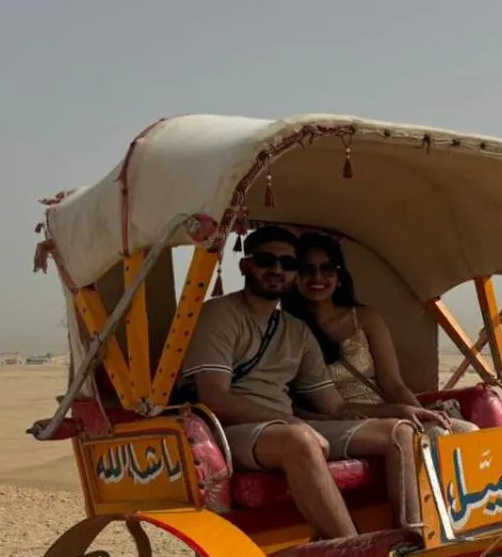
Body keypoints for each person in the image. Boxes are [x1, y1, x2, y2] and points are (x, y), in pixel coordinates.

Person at [178, 225, 420, 539]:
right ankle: (352, 548)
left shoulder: (296, 331)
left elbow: (333, 406)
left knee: (399, 433)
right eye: (267, 260)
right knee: (299, 440)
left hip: (285, 427)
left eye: (289, 264)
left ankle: (414, 539)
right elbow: (215, 396)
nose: (278, 270)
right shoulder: (220, 315)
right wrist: (293, 422)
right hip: (231, 431)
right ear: (246, 265)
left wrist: (400, 409)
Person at [282, 231, 478, 433]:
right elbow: (290, 398)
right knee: (430, 436)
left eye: (327, 269)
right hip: (341, 419)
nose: (317, 277)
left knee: (466, 431)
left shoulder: (365, 319)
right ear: (295, 278)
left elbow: (393, 385)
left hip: (385, 411)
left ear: (339, 277)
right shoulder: (288, 330)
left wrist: (420, 414)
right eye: (307, 269)